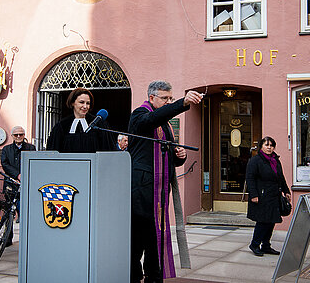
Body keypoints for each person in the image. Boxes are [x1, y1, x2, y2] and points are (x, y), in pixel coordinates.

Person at [128, 80, 203, 283]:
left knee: (156, 238)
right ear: (151, 98)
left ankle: (154, 276)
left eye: (171, 98)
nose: (169, 102)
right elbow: (150, 120)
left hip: (160, 189)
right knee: (138, 238)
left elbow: (168, 155)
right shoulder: (139, 115)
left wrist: (179, 155)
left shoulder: (165, 124)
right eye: (165, 98)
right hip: (142, 189)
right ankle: (133, 276)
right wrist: (181, 103)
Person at [246, 136, 291, 257]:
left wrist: (286, 191)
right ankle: (255, 244)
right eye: (266, 145)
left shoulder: (275, 160)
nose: (269, 148)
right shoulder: (255, 161)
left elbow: (280, 177)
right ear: (261, 146)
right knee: (263, 221)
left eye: (271, 145)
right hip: (262, 195)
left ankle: (266, 245)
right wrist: (254, 195)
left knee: (271, 221)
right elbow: (250, 179)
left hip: (274, 195)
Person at [46, 87, 116, 152]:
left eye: (88, 103)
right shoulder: (62, 126)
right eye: (81, 102)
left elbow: (108, 150)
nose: (85, 106)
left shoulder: (99, 123)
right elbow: (52, 152)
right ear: (73, 103)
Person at [1, 126, 36, 245]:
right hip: (11, 184)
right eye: (16, 135)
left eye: (21, 134)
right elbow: (4, 164)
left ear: (24, 135)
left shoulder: (31, 148)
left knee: (25, 213)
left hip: (26, 184)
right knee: (8, 212)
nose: (18, 137)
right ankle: (8, 238)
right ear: (12, 136)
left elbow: (34, 162)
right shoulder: (6, 149)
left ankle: (26, 241)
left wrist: (24, 175)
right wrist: (17, 175)